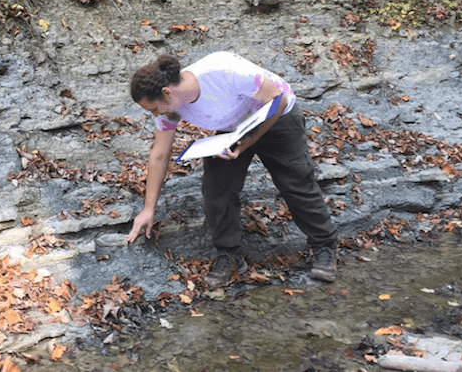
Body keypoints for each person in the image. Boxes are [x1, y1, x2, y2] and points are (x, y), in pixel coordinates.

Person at [127, 51, 339, 285]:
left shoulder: (223, 71)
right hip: (231, 129)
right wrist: (148, 209)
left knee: (296, 182)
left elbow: (279, 99)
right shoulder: (173, 107)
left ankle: (325, 246)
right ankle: (229, 254)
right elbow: (159, 154)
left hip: (276, 117)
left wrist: (250, 140)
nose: (157, 115)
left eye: (155, 109)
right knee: (217, 190)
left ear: (167, 92)